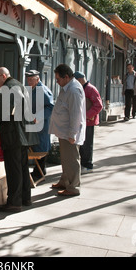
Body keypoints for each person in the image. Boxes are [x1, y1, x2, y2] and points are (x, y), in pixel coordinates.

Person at [0, 67, 39, 212]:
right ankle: (26, 198)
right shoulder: (19, 85)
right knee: (23, 167)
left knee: (14, 170)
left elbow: (3, 113)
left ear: (3, 76)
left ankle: (14, 202)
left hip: (14, 134)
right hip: (23, 134)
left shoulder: (8, 88)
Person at [49, 64, 86, 197]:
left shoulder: (74, 90)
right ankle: (65, 181)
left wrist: (72, 133)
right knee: (65, 158)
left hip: (69, 133)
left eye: (58, 79)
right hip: (63, 130)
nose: (57, 82)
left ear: (66, 77)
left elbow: (76, 114)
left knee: (71, 159)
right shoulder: (67, 87)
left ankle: (73, 186)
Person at [25, 69, 54, 181]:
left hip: (40, 123)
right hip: (32, 123)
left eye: (32, 79)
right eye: (28, 79)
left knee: (40, 147)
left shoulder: (42, 90)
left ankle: (39, 172)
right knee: (35, 146)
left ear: (38, 79)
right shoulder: (31, 89)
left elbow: (50, 107)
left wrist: (38, 117)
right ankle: (39, 171)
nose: (29, 81)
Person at [74, 71, 103, 174]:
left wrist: (86, 115)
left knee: (87, 144)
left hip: (88, 121)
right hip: (82, 120)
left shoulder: (90, 89)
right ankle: (83, 164)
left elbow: (98, 105)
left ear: (80, 80)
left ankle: (87, 165)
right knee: (82, 143)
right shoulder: (83, 88)